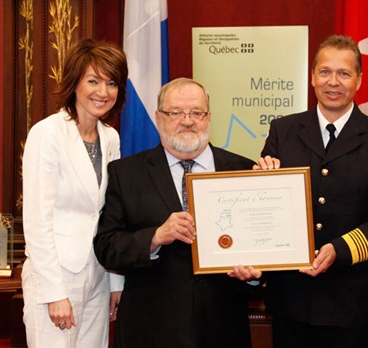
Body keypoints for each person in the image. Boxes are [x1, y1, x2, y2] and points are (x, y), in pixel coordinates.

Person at [254, 35, 368, 348]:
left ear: (360, 80)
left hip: (352, 302)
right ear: (312, 77)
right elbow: (267, 207)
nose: (332, 82)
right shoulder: (283, 131)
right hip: (290, 298)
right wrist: (261, 188)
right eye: (324, 72)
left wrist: (339, 248)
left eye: (344, 73)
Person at [93, 78, 255, 348]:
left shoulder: (242, 169)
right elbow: (107, 247)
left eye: (196, 113)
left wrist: (255, 274)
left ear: (208, 117)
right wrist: (154, 237)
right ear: (158, 118)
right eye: (176, 113)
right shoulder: (126, 174)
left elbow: (261, 244)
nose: (187, 121)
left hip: (223, 327)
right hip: (150, 329)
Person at [21, 38, 127, 347]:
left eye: (111, 82)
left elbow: (112, 213)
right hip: (57, 276)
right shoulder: (48, 133)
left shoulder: (111, 138)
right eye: (93, 81)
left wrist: (115, 281)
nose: (102, 92)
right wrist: (54, 292)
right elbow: (37, 220)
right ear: (74, 83)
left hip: (98, 273)